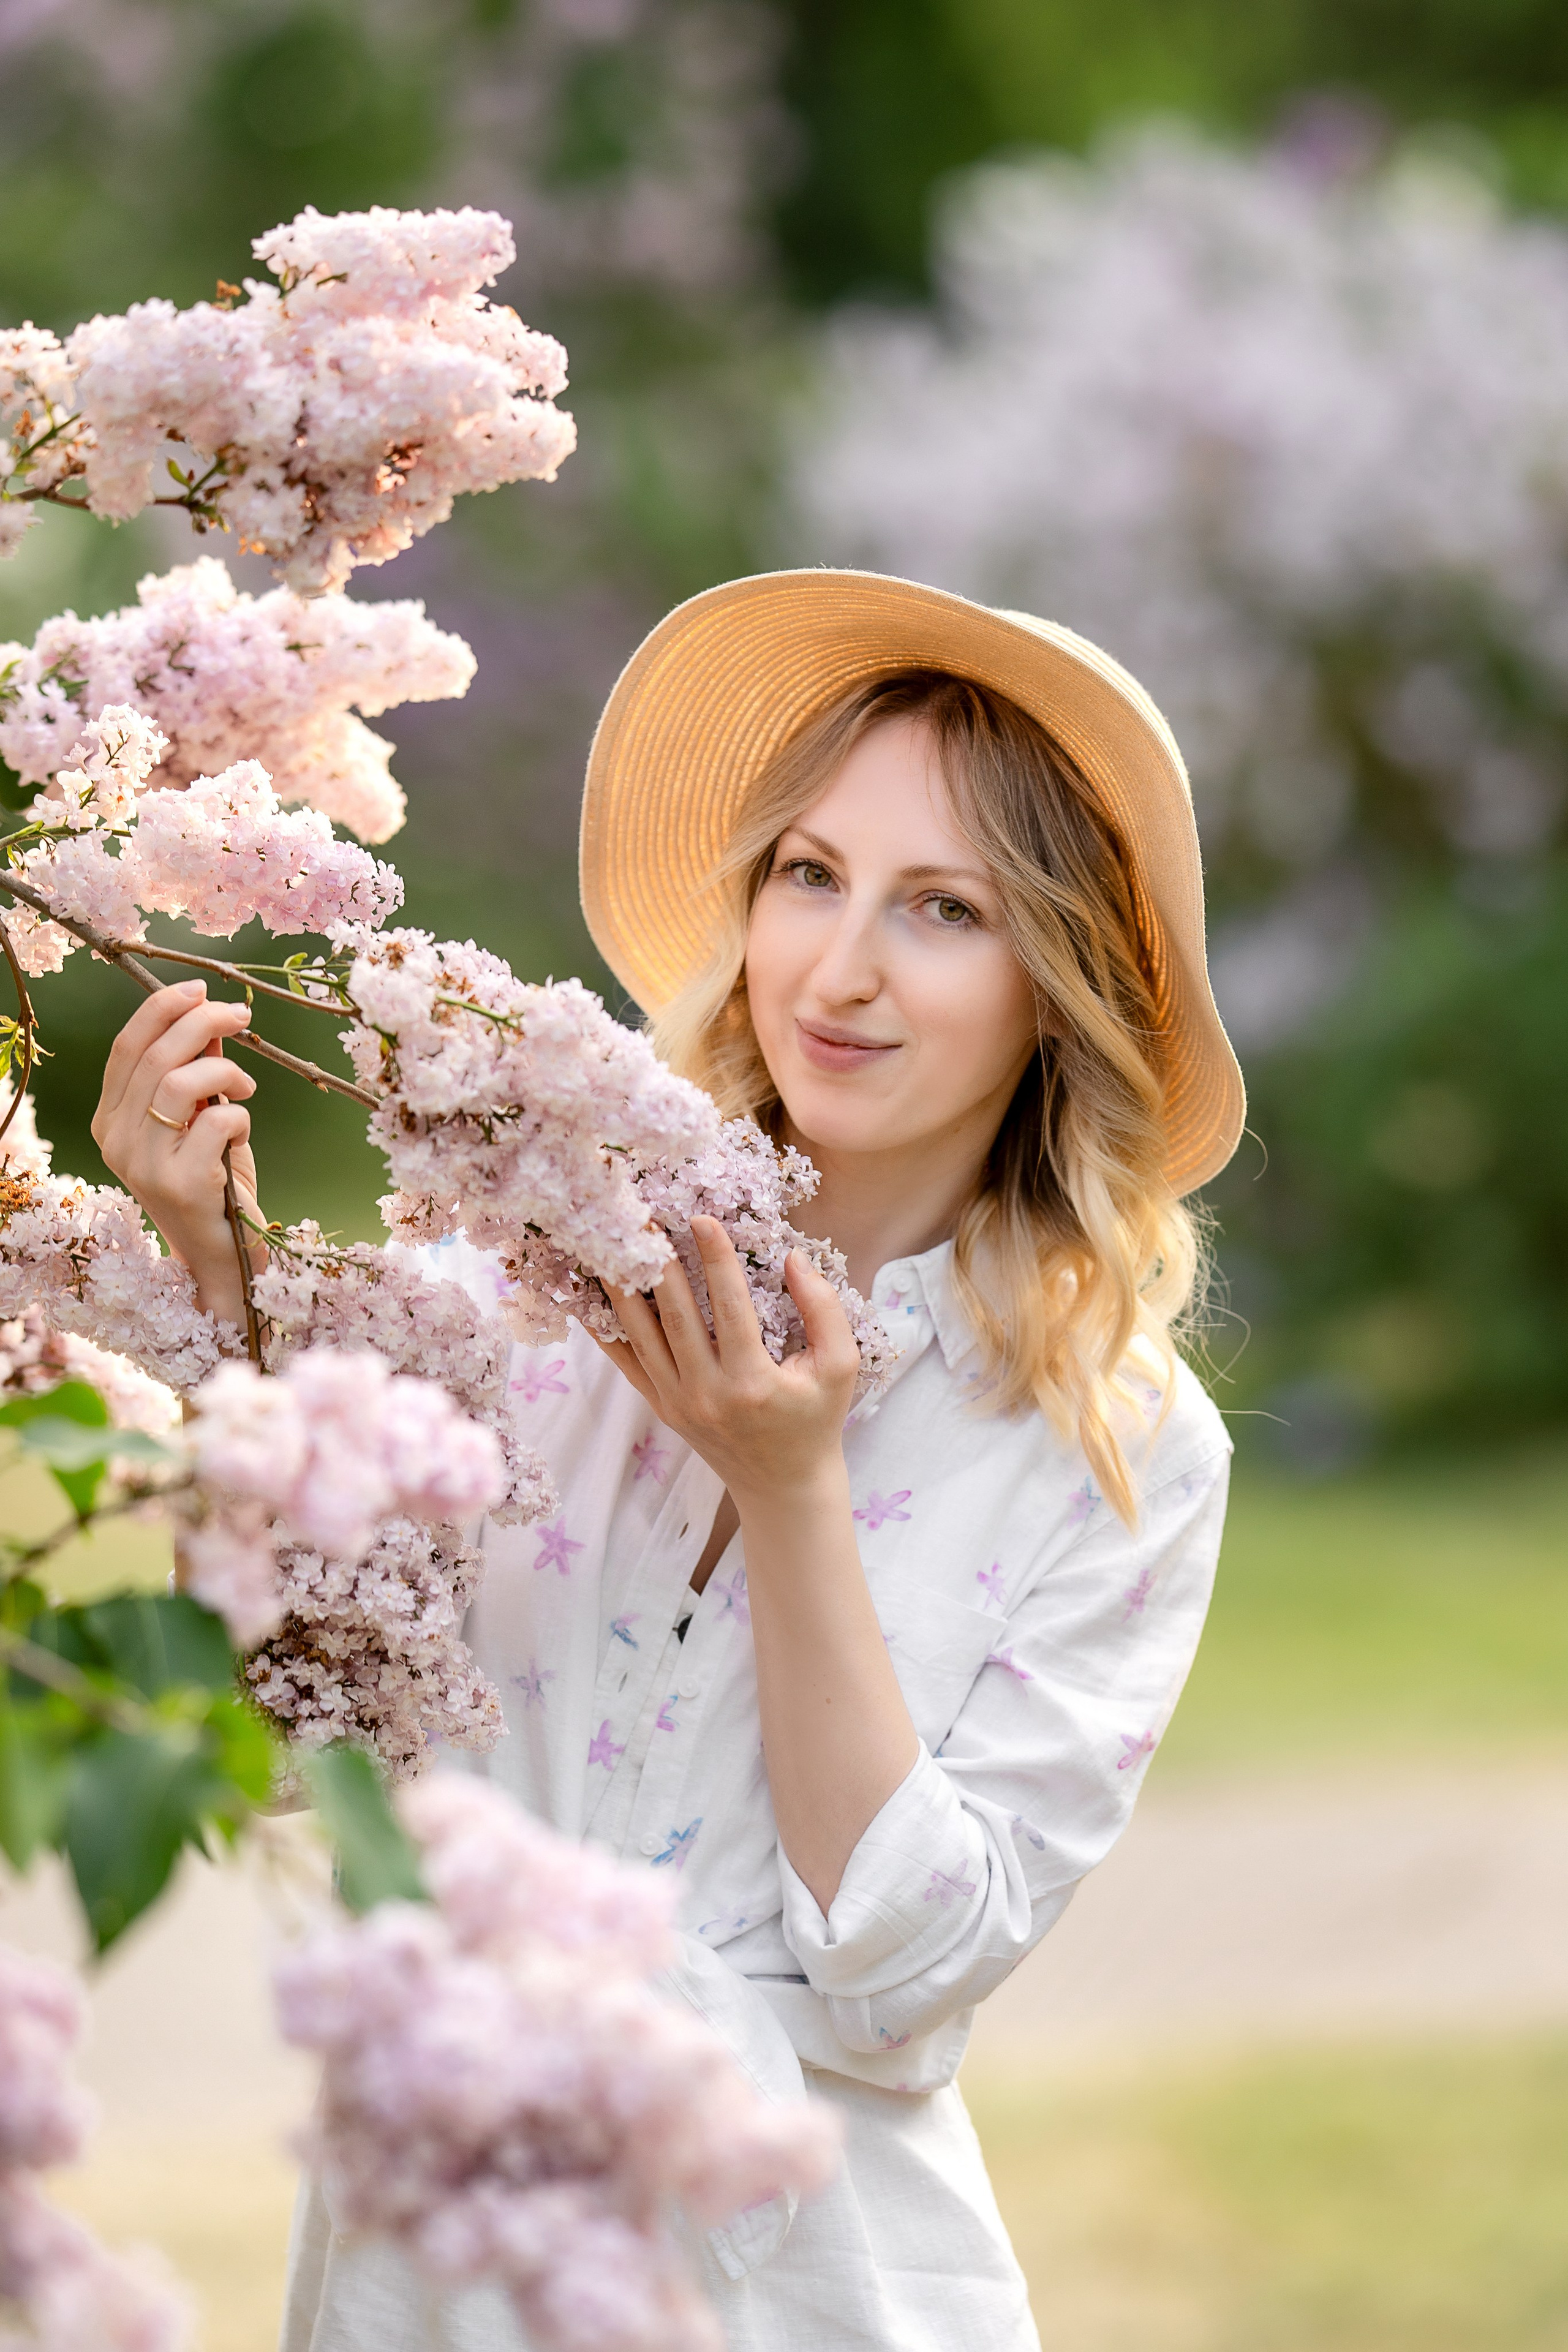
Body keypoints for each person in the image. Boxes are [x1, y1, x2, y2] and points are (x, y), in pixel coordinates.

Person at [94, 570, 1245, 2352]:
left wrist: (789, 1498)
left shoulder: (1119, 1446)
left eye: (943, 909)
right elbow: (291, 1734)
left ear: (1059, 984)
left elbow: (903, 1975)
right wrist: (220, 1288)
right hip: (444, 2274)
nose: (842, 971)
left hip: (809, 2287)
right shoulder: (529, 1276)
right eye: (810, 875)